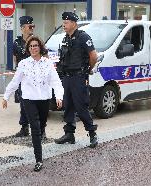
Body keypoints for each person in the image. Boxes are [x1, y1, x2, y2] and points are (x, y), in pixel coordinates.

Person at [2, 36, 63, 172]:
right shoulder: (24, 63)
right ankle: (39, 160)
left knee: (41, 126)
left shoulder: (48, 63)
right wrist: (6, 96)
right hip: (29, 99)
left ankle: (39, 139)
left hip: (44, 99)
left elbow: (56, 82)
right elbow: (15, 81)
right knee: (35, 128)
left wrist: (59, 97)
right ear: (28, 49)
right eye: (30, 46)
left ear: (40, 47)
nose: (33, 48)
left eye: (35, 46)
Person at [54, 12, 98, 148]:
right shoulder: (66, 38)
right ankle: (69, 134)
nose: (64, 25)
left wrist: (87, 70)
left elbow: (94, 56)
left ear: (74, 23)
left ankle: (92, 134)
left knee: (81, 106)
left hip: (79, 77)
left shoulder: (83, 37)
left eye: (66, 23)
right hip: (67, 77)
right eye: (63, 22)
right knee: (68, 106)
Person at [12, 16, 36, 137]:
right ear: (22, 28)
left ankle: (40, 129)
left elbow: (44, 57)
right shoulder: (16, 42)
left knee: (36, 104)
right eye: (29, 26)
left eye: (33, 26)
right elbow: (15, 58)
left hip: (35, 78)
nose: (32, 28)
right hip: (23, 78)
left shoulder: (36, 41)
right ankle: (24, 127)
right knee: (23, 103)